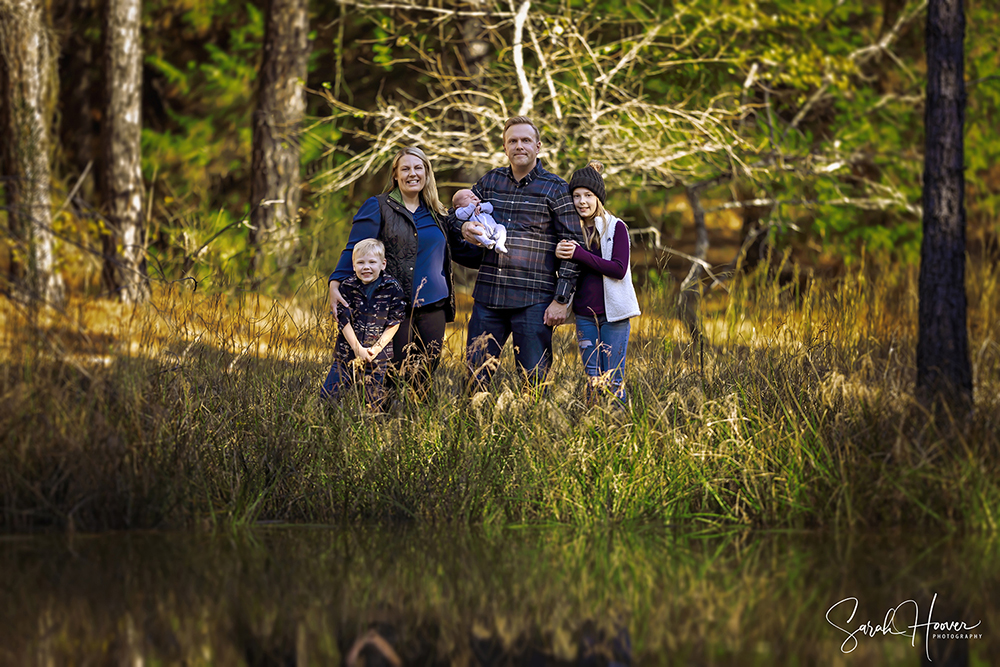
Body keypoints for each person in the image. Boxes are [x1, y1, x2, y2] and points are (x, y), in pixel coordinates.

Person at [454, 116, 586, 391]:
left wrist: (561, 300)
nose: (519, 146)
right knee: (476, 379)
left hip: (534, 301)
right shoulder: (490, 181)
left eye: (526, 140)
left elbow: (574, 246)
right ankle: (476, 430)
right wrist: (463, 225)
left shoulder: (556, 188)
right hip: (488, 299)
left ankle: (536, 432)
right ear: (504, 147)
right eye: (512, 141)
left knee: (535, 382)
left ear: (538, 146)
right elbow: (456, 215)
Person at [328, 147, 467, 397]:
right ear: (395, 175)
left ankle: (419, 428)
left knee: (425, 374)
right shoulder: (378, 206)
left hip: (434, 305)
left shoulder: (437, 212)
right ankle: (382, 425)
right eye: (405, 168)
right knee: (391, 372)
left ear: (426, 173)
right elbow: (355, 248)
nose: (412, 174)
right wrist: (335, 282)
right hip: (394, 306)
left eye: (418, 168)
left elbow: (457, 250)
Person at [555, 161, 640, 405]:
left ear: (598, 198)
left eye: (588, 195)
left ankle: (617, 430)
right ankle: (594, 428)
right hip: (584, 315)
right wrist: (558, 253)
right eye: (576, 196)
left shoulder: (615, 227)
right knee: (593, 379)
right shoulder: (569, 231)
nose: (582, 201)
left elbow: (619, 269)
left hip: (613, 316)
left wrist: (579, 253)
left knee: (612, 378)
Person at [321, 239, 407, 410]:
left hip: (377, 358)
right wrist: (357, 349)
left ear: (383, 264)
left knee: (373, 405)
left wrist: (376, 349)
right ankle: (326, 427)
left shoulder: (392, 288)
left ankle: (372, 431)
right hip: (346, 355)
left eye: (371, 262)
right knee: (328, 397)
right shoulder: (348, 286)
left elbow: (394, 322)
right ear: (353, 266)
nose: (366, 267)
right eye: (360, 262)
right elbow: (343, 320)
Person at [453, 189, 507, 254]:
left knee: (501, 227)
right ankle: (487, 242)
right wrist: (472, 206)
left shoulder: (481, 205)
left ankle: (500, 244)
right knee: (476, 230)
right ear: (458, 206)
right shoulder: (461, 210)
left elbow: (490, 208)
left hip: (493, 229)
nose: (472, 196)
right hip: (481, 231)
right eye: (467, 197)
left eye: (473, 194)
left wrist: (480, 207)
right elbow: (461, 216)